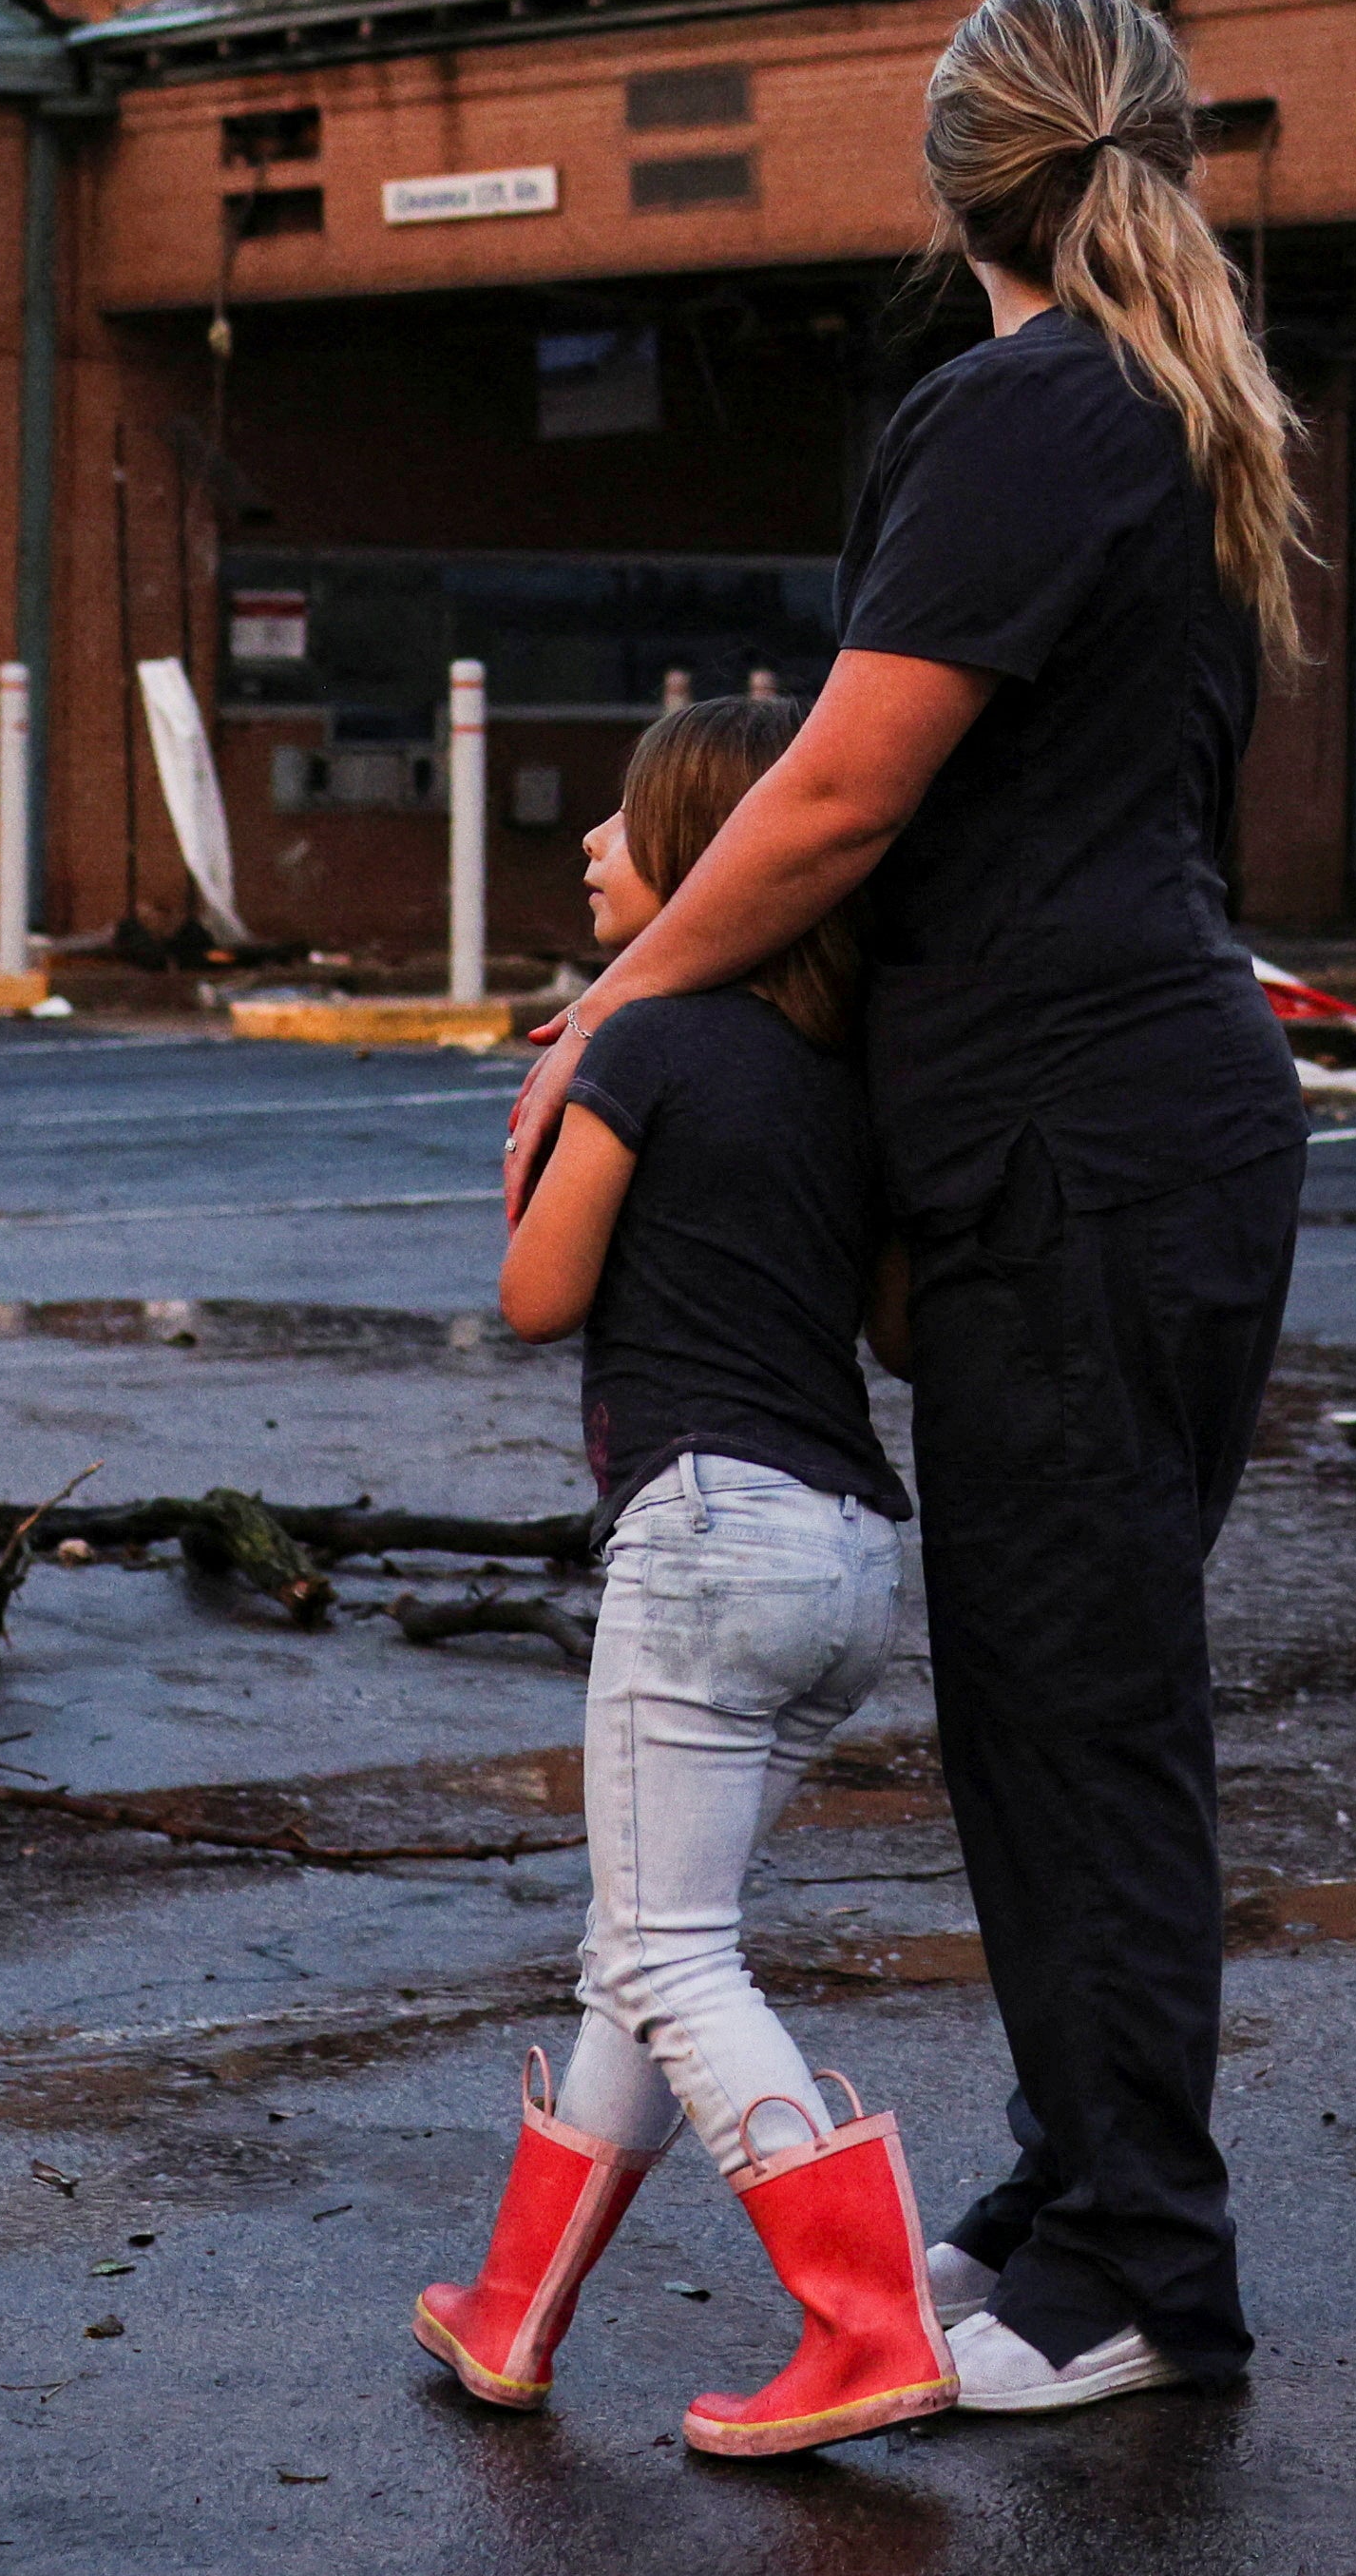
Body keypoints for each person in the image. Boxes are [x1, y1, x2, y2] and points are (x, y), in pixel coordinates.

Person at [503, 0, 1312, 2415]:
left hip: (1081, 1147)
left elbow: (843, 796)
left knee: (1079, 1720)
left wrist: (617, 1014)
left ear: (955, 182)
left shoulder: (1027, 408)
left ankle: (1144, 2279)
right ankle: (1074, 2200)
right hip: (1128, 1125)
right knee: (1058, 1707)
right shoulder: (1155, 407)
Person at [417, 697, 953, 2456]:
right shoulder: (851, 1070)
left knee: (669, 1951)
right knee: (638, 1949)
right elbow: (889, 1323)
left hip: (708, 1536)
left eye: (624, 823)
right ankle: (515, 2312)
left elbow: (536, 1294)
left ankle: (865, 2325)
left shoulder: (644, 1045)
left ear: (709, 860)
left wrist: (545, 1127)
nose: (590, 848)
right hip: (852, 1556)